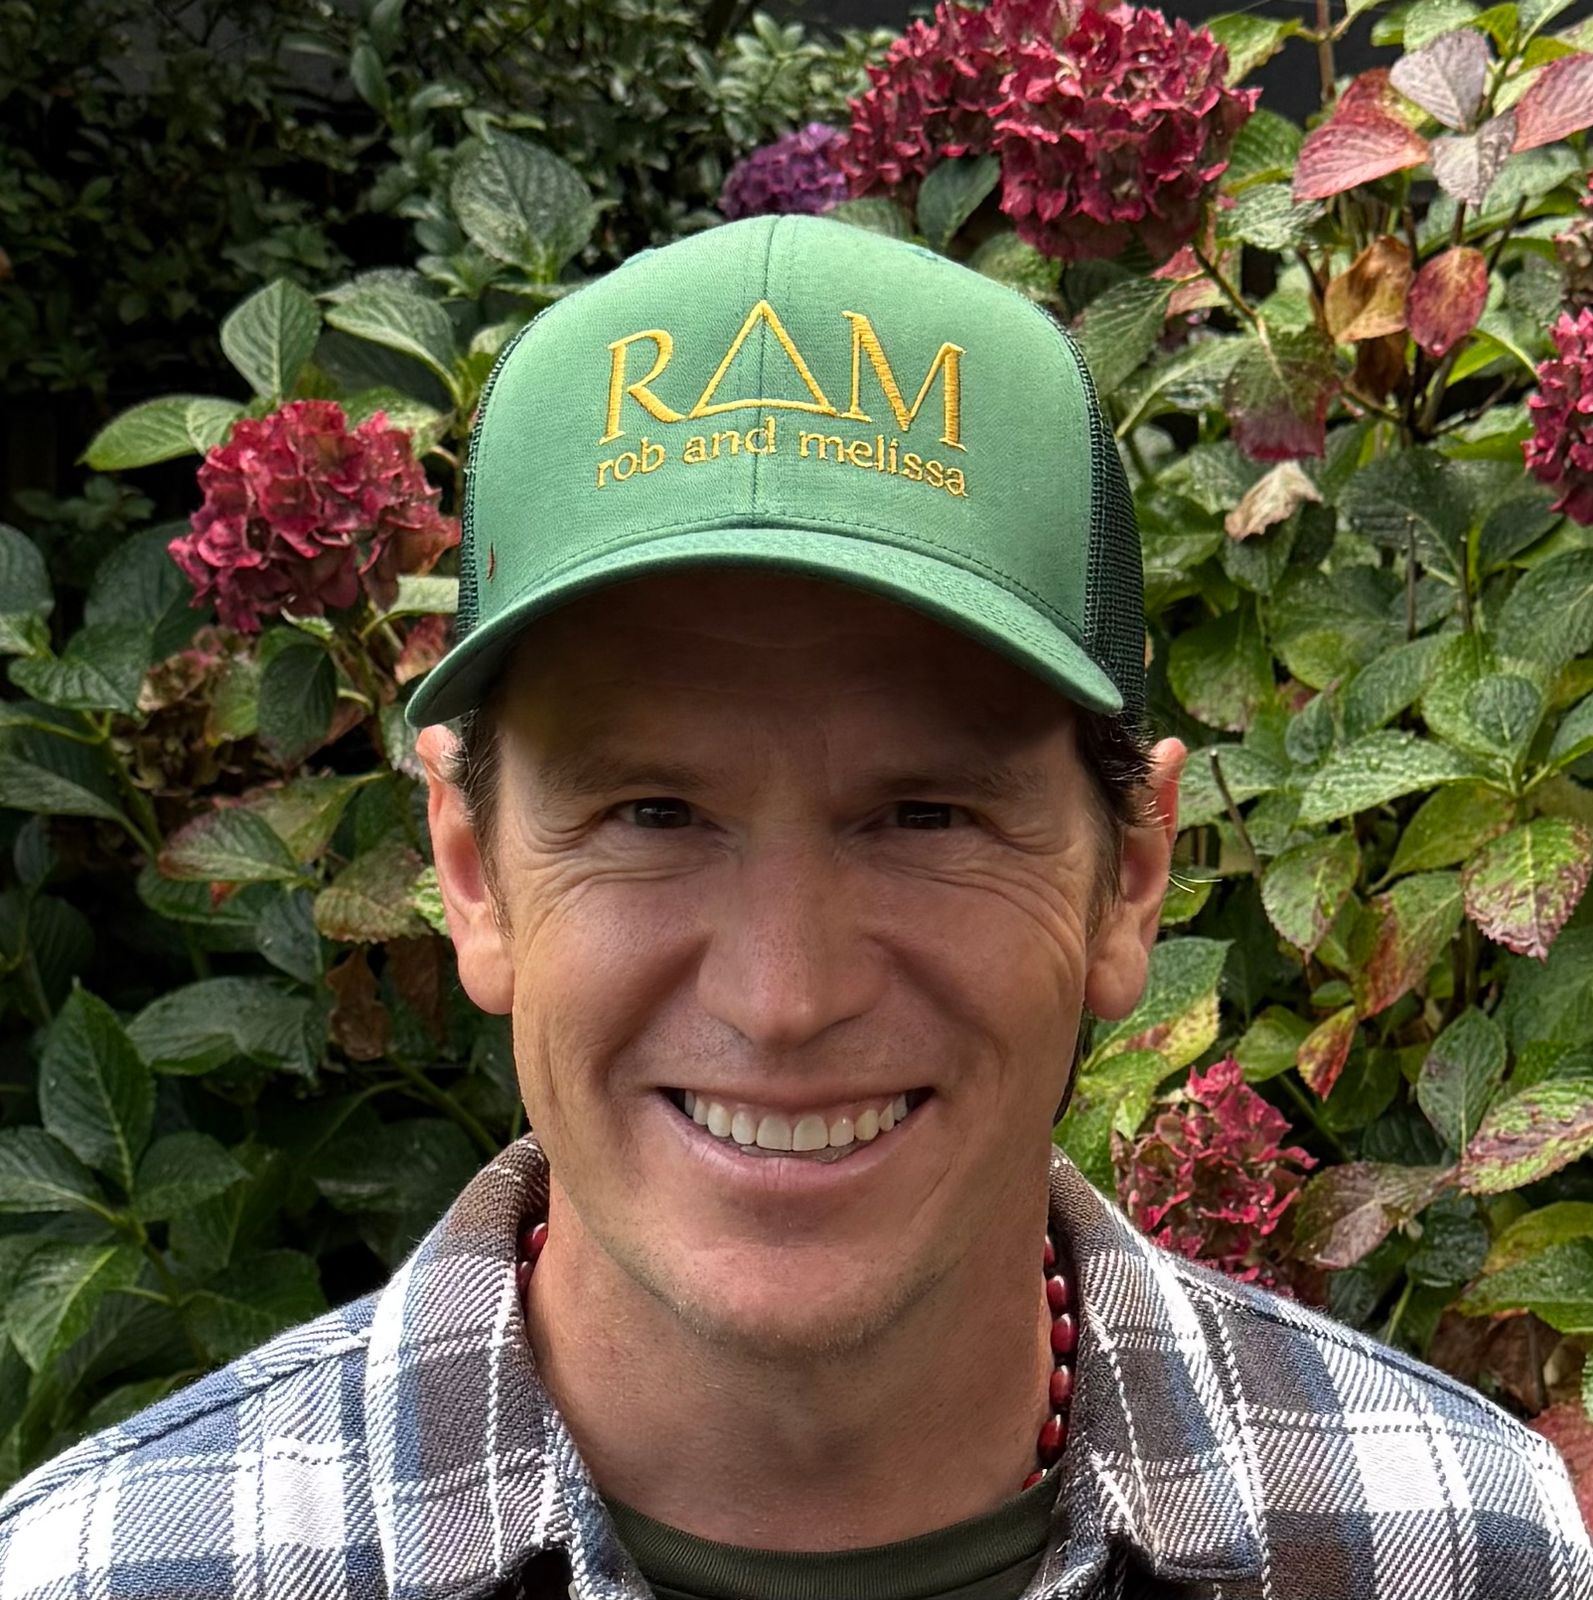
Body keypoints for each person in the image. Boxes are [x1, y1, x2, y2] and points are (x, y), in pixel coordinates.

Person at [0, 214, 1587, 1600]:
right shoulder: (109, 1573)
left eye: (924, 815)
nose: (782, 996)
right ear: (472, 870)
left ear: (1129, 872)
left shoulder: (1457, 1550)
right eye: (651, 814)